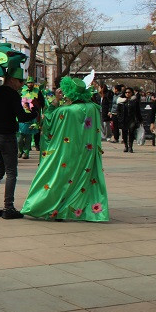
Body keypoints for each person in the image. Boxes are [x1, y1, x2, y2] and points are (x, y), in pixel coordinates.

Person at [21, 77, 109, 221]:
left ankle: (56, 208)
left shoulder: (65, 111)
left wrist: (55, 100)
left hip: (66, 153)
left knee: (61, 179)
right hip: (87, 153)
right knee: (83, 179)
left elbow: (47, 119)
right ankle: (82, 209)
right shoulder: (93, 108)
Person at [0, 69, 39, 220]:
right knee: (11, 172)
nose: (22, 85)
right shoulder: (13, 94)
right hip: (6, 136)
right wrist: (34, 113)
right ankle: (9, 207)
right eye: (21, 81)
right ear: (12, 79)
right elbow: (21, 117)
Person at [116, 86, 142, 153]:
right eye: (126, 92)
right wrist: (119, 117)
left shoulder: (134, 101)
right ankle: (126, 146)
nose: (127, 94)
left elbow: (138, 111)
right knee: (124, 133)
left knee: (131, 132)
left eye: (129, 92)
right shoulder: (121, 101)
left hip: (132, 119)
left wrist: (140, 119)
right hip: (124, 119)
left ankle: (130, 146)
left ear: (132, 93)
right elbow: (118, 110)